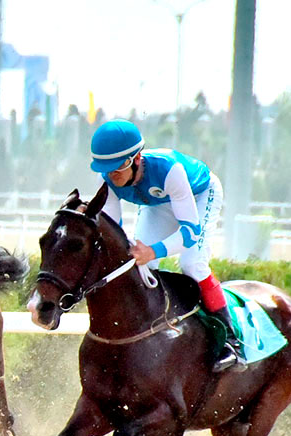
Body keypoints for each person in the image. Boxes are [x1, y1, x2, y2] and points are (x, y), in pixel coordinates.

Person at [89, 119, 245, 372]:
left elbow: (190, 233)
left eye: (118, 168)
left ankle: (231, 342)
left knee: (191, 263)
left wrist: (152, 250)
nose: (112, 175)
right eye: (106, 169)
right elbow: (113, 230)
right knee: (141, 266)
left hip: (199, 195)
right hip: (158, 204)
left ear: (136, 158)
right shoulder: (106, 179)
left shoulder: (169, 169)